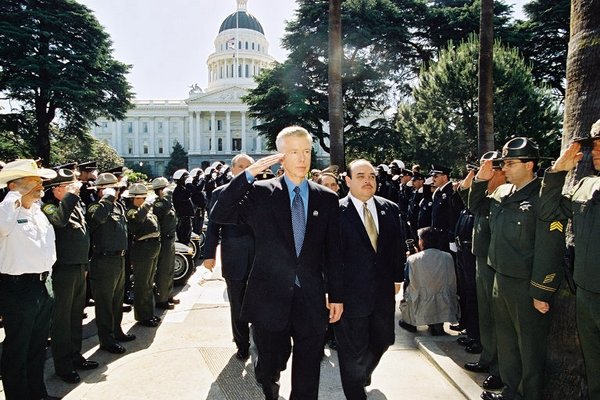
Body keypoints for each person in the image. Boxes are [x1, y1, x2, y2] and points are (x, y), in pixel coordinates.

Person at [210, 126, 343, 400]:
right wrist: (248, 175)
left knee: (308, 368)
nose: (302, 158)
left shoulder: (326, 198)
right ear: (281, 156)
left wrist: (337, 295)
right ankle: (270, 386)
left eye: (306, 151)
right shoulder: (260, 193)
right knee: (271, 363)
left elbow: (334, 252)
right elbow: (221, 212)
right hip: (269, 298)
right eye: (294, 152)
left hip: (311, 297)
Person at [471, 137, 566, 400]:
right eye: (504, 163)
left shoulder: (542, 198)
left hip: (526, 285)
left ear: (530, 165)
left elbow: (549, 247)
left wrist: (541, 290)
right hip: (500, 278)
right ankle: (511, 392)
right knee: (508, 343)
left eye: (511, 163)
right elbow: (476, 207)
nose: (505, 168)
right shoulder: (502, 193)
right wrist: (480, 180)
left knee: (530, 349)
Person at [538, 119, 600, 400]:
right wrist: (557, 173)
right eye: (594, 146)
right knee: (594, 368)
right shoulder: (587, 185)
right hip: (587, 292)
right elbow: (550, 211)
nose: (594, 152)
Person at [336, 159, 404, 400]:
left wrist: (398, 277)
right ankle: (355, 391)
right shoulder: (335, 211)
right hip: (349, 293)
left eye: (372, 176)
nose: (368, 181)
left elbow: (397, 247)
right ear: (348, 181)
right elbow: (327, 256)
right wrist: (331, 292)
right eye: (361, 176)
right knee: (351, 350)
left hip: (382, 291)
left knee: (383, 339)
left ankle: (363, 371)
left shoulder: (390, 208)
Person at [0, 159, 59, 400]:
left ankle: (38, 393)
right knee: (17, 350)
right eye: (34, 181)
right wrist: (12, 197)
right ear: (15, 186)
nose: (41, 184)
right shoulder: (6, 213)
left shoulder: (37, 211)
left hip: (44, 284)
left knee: (37, 347)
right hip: (19, 288)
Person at [42, 168, 99, 384]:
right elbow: (59, 222)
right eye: (69, 187)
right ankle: (63, 365)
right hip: (63, 270)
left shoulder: (72, 206)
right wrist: (72, 195)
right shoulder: (50, 207)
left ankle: (75, 355)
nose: (75, 190)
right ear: (57, 190)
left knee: (76, 315)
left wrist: (85, 265)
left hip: (78, 267)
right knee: (62, 320)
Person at [205, 153, 255, 360]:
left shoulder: (262, 192)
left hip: (260, 255)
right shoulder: (220, 193)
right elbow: (213, 228)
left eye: (249, 167)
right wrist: (209, 255)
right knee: (237, 303)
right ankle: (241, 343)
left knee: (261, 301)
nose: (244, 170)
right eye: (240, 166)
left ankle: (260, 341)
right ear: (233, 170)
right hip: (233, 255)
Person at [464, 151, 506, 391]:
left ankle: (500, 369)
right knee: (486, 317)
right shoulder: (487, 196)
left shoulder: (503, 197)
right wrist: (475, 178)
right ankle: (488, 359)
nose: (483, 174)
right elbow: (467, 200)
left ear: (500, 172)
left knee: (499, 320)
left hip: (495, 264)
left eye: (488, 170)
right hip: (482, 260)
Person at [87, 173, 136, 354]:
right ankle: (106, 340)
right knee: (105, 303)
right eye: (113, 189)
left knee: (117, 300)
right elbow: (96, 220)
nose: (117, 192)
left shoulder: (118, 206)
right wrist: (107, 198)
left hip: (119, 258)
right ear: (102, 190)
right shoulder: (95, 206)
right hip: (104, 260)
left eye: (117, 189)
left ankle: (117, 331)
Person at [398, 227, 460, 336]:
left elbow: (407, 281)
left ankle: (411, 321)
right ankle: (437, 324)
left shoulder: (413, 260)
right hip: (444, 304)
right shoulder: (448, 257)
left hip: (421, 303)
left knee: (408, 288)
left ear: (421, 241)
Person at [124, 183, 162, 327]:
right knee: (142, 284)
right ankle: (143, 316)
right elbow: (137, 220)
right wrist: (146, 205)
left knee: (149, 283)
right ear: (134, 199)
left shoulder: (145, 210)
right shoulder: (131, 211)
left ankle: (149, 313)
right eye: (142, 198)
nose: (145, 200)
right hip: (142, 248)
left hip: (152, 246)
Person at [152, 177, 179, 309]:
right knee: (163, 270)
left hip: (170, 239)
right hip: (163, 240)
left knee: (169, 269)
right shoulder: (158, 203)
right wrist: (167, 195)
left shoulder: (165, 202)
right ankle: (161, 299)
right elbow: (165, 208)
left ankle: (168, 295)